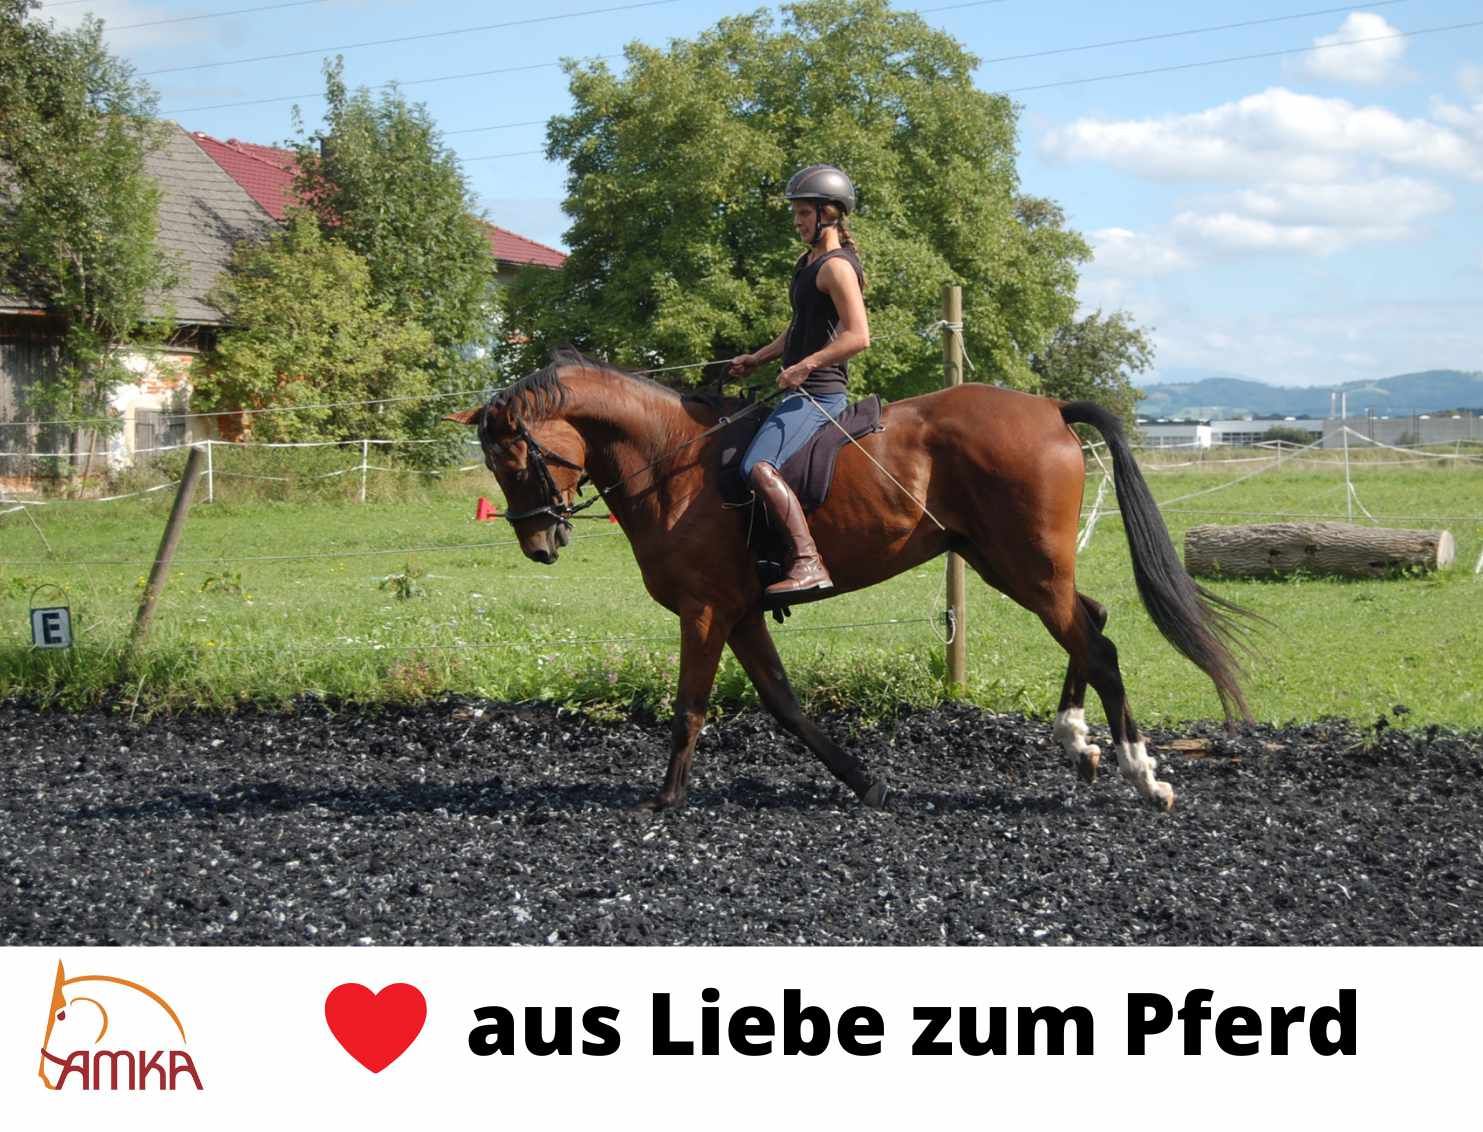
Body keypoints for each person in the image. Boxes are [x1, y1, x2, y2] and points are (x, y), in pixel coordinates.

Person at [729, 163, 870, 604]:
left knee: (758, 467)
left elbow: (858, 336)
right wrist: (760, 357)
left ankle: (808, 561)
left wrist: (805, 366)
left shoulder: (837, 268)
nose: (797, 221)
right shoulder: (808, 264)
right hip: (799, 387)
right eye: (796, 213)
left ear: (829, 213)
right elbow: (799, 327)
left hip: (821, 393)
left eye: (803, 213)